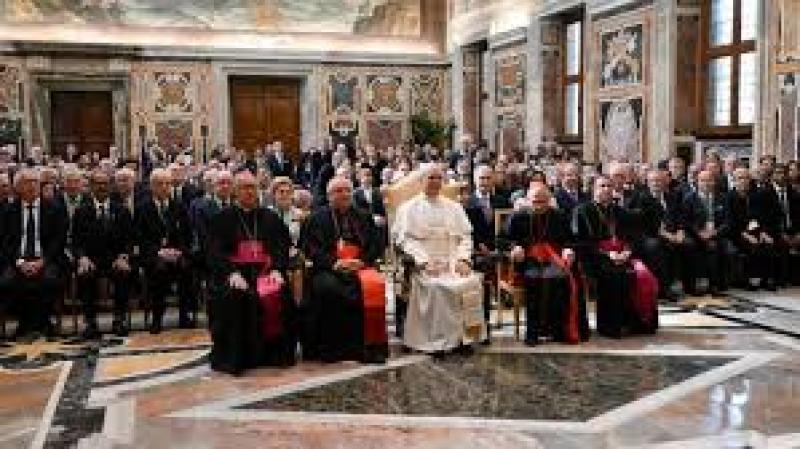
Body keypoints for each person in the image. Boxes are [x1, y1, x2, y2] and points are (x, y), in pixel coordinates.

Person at [394, 164, 485, 356]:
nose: (435, 182)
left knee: (470, 282)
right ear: (420, 181)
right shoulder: (408, 208)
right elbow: (405, 240)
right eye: (430, 178)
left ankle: (464, 338)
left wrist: (463, 259)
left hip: (452, 260)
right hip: (426, 263)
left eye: (438, 178)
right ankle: (437, 341)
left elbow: (465, 237)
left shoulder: (454, 207)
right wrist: (424, 262)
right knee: (437, 287)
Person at [208, 171, 294, 375]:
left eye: (253, 187)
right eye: (245, 188)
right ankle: (237, 357)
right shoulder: (222, 218)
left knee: (279, 292)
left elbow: (282, 247)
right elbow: (215, 252)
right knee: (235, 295)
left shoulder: (270, 218)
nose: (250, 192)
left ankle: (274, 355)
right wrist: (231, 273)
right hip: (236, 275)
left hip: (265, 274)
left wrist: (277, 269)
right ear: (235, 191)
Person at [302, 176, 387, 363]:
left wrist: (362, 261)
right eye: (339, 191)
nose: (344, 194)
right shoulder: (316, 218)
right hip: (328, 268)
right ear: (329, 195)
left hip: (360, 266)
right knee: (329, 288)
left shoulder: (364, 215)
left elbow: (376, 245)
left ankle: (368, 347)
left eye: (348, 190)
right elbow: (311, 249)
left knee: (371, 287)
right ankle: (333, 349)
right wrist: (335, 263)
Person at [573, 176, 659, 337]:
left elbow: (633, 236)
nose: (606, 189)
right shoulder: (582, 211)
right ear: (593, 189)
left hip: (622, 255)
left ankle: (637, 324)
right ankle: (611, 326)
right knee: (615, 274)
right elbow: (580, 242)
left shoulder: (620, 211)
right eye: (602, 186)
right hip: (594, 258)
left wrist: (627, 251)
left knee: (643, 275)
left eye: (609, 186)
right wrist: (607, 254)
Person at [506, 182, 586, 345]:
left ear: (549, 200)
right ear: (528, 200)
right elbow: (502, 239)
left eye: (543, 202)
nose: (539, 206)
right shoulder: (518, 216)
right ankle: (533, 331)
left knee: (560, 278)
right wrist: (514, 247)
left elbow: (570, 239)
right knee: (534, 279)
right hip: (528, 260)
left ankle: (557, 330)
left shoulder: (559, 216)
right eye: (535, 201)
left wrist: (568, 249)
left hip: (553, 258)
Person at [0, 168, 67, 340]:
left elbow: (58, 240)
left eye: (35, 182)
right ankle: (24, 323)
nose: (32, 186)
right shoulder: (8, 210)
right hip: (17, 260)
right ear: (17, 187)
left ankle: (43, 322)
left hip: (46, 258)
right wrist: (20, 262)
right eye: (27, 182)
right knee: (8, 282)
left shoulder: (54, 208)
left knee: (50, 280)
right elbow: (5, 242)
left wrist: (42, 261)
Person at [72, 169, 135, 338]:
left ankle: (119, 319)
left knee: (124, 273)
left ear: (110, 186)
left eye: (105, 184)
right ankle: (90, 322)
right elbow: (76, 242)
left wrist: (123, 256)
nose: (102, 187)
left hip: (115, 258)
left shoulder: (121, 210)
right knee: (85, 274)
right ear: (91, 186)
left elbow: (130, 239)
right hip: (91, 259)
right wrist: (82, 258)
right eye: (98, 184)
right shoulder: (81, 211)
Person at [136, 168, 192, 333]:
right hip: (153, 254)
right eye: (160, 184)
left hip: (176, 253)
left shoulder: (179, 206)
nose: (165, 187)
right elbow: (140, 237)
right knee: (159, 270)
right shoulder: (142, 208)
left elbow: (186, 234)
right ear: (152, 186)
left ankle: (184, 315)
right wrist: (158, 251)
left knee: (187, 268)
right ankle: (157, 317)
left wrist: (178, 251)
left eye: (168, 184)